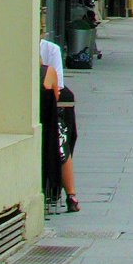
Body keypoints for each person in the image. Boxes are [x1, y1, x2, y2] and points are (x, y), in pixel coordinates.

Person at [40, 55, 79, 212]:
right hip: (47, 129)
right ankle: (71, 195)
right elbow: (55, 98)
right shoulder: (47, 72)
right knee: (62, 141)